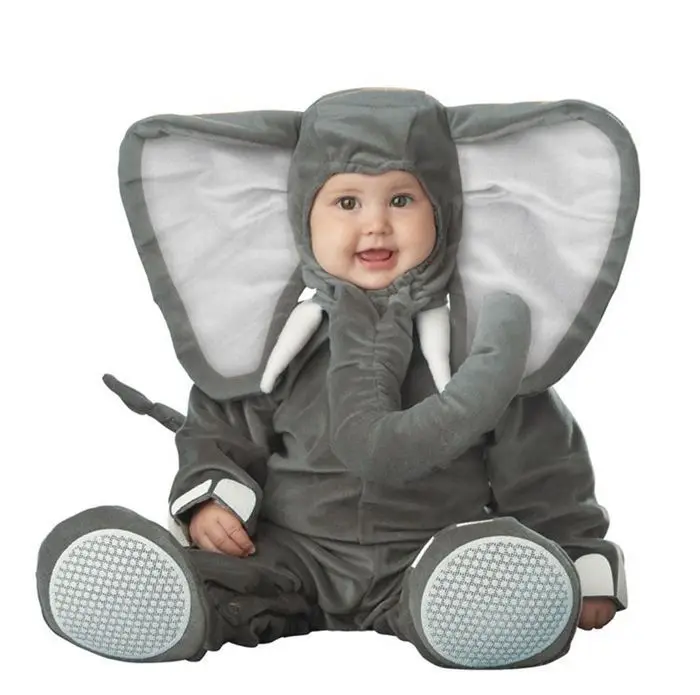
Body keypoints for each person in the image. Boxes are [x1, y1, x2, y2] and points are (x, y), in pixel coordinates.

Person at [36, 88, 629, 670]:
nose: (376, 226)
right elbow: (219, 435)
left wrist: (577, 552)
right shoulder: (270, 353)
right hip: (291, 550)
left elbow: (544, 465)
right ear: (299, 216)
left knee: (472, 572)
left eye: (402, 200)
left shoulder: (478, 354)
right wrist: (212, 500)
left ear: (449, 212)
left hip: (427, 553)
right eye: (347, 203)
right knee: (239, 580)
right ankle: (186, 599)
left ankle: (488, 603)